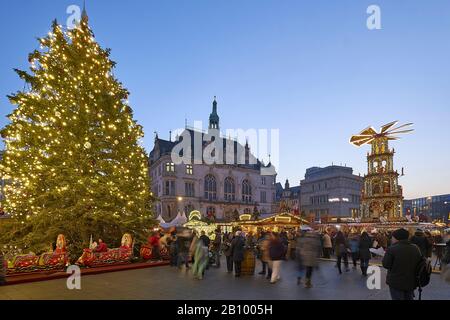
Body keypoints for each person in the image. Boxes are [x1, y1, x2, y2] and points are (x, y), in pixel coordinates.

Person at [382, 228, 423, 300]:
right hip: (411, 281)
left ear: (396, 238)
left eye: (392, 237)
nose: (391, 239)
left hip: (396, 282)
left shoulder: (392, 249)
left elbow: (386, 264)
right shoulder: (415, 248)